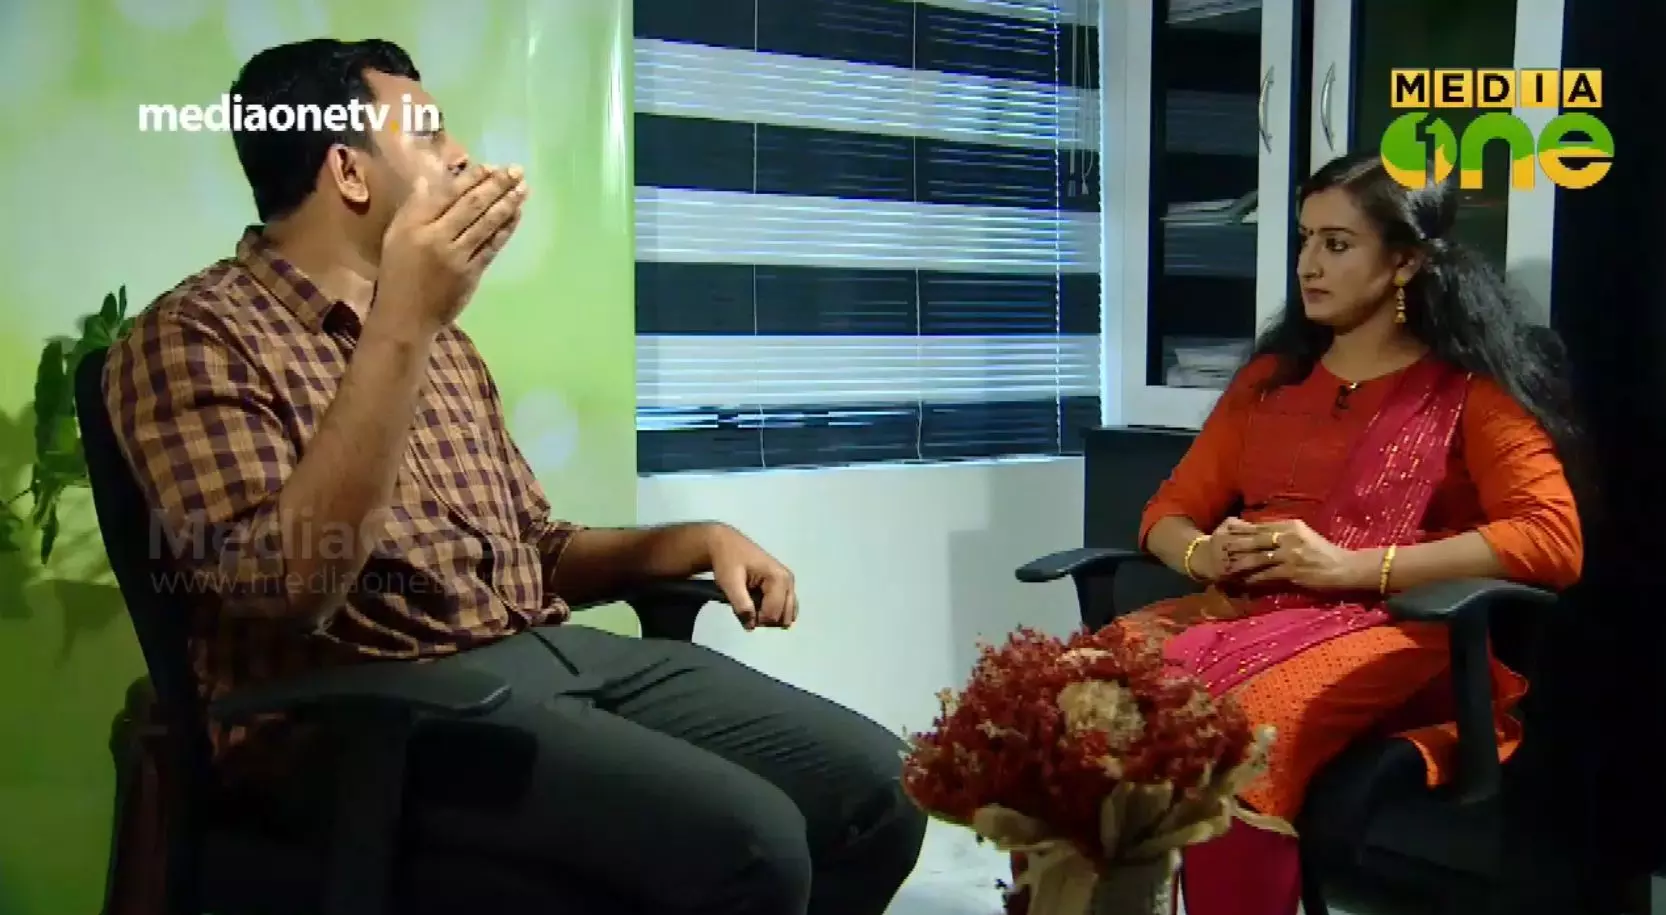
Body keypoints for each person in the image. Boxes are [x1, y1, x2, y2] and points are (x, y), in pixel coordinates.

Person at [102, 39, 924, 915]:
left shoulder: (442, 340)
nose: (459, 155)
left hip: (544, 655)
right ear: (349, 170)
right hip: (371, 719)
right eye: (429, 131)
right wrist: (404, 323)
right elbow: (291, 584)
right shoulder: (194, 337)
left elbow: (532, 548)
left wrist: (692, 539)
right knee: (754, 847)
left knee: (884, 791)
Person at [1030, 150, 1583, 915]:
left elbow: (1552, 537)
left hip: (1394, 631)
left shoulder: (1469, 393)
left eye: (1337, 243)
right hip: (1239, 612)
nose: (1308, 264)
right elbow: (1166, 513)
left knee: (1241, 732)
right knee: (1060, 697)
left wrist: (1352, 566)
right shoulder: (1271, 382)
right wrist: (1202, 552)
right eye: (1305, 239)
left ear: (1405, 262)